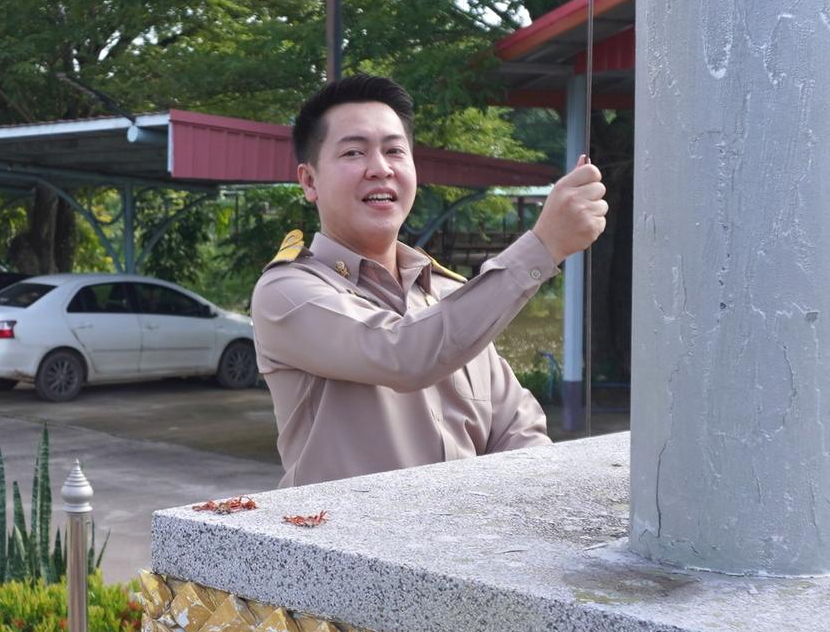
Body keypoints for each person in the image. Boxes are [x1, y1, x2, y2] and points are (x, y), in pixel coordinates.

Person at [251, 75, 608, 489]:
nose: (380, 168)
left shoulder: (449, 295)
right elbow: (404, 354)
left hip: (463, 545)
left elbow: (517, 426)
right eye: (353, 152)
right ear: (309, 181)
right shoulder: (287, 292)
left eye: (394, 151)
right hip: (348, 546)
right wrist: (542, 247)